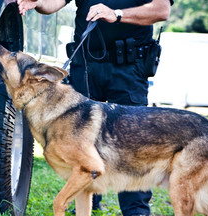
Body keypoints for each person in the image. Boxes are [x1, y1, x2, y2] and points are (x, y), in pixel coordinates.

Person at [17, 0, 174, 215]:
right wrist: (38, 2)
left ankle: (136, 210)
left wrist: (116, 14)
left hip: (129, 66)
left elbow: (161, 10)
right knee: (81, 140)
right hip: (86, 63)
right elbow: (54, 2)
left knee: (131, 141)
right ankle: (88, 204)